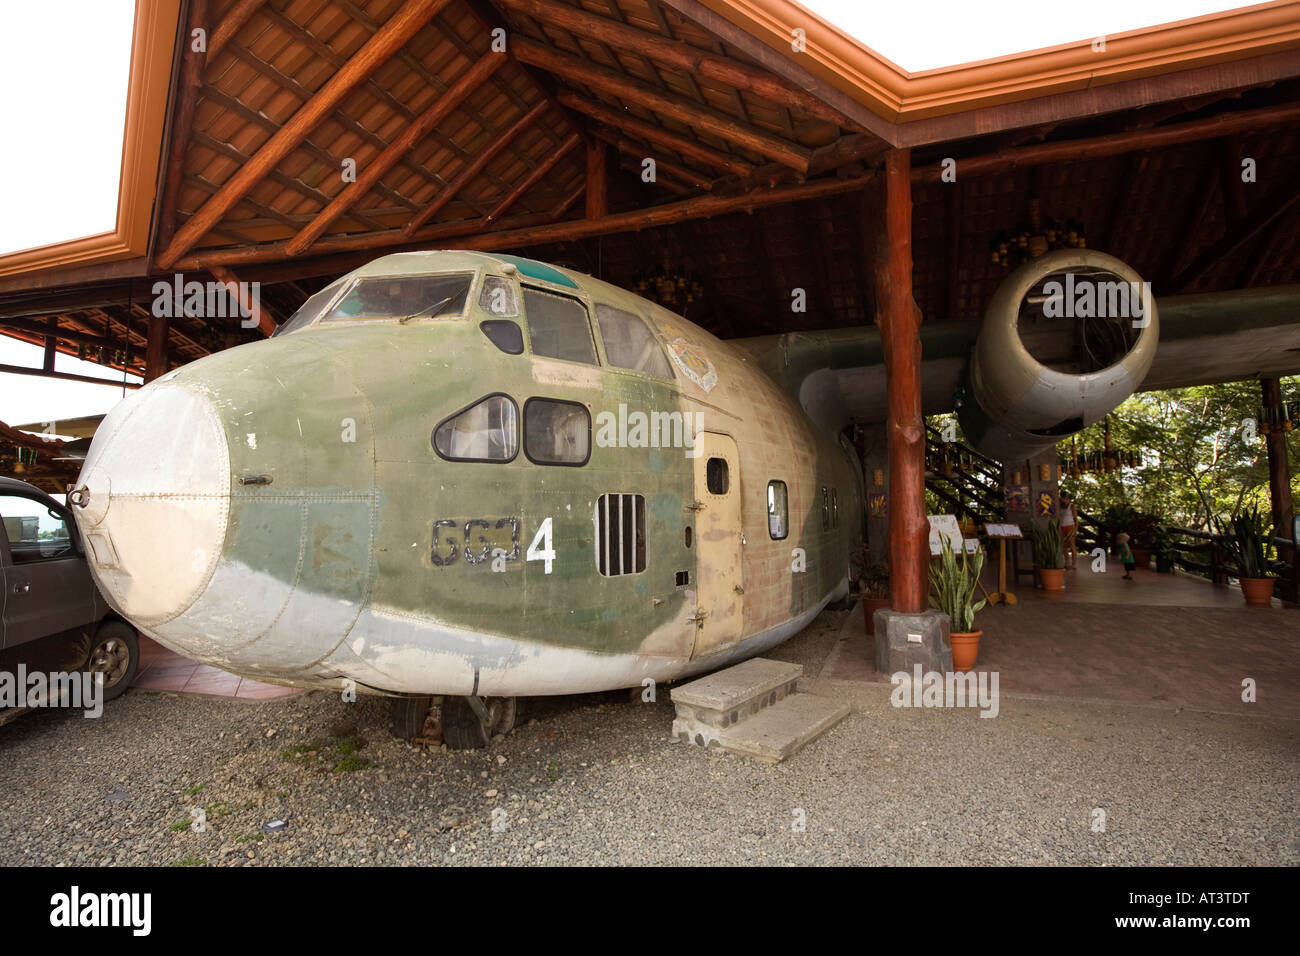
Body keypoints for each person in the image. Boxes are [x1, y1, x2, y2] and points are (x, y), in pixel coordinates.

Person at [1059, 491, 1078, 569]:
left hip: (1070, 527)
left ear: (1068, 499)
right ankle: (1067, 562)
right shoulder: (1060, 506)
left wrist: (1076, 529)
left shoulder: (1071, 506)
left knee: (1072, 545)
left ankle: (1074, 564)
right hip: (1062, 527)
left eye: (1065, 498)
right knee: (1064, 546)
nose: (1063, 500)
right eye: (1062, 498)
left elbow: (1075, 519)